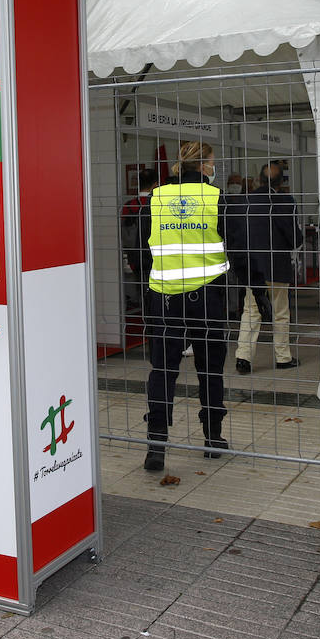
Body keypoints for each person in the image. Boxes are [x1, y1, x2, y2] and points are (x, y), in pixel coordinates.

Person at [139, 140, 230, 472]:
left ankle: (156, 445)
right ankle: (213, 438)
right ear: (205, 165)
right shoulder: (217, 197)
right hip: (207, 298)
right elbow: (232, 244)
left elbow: (139, 248)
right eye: (212, 162)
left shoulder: (157, 197)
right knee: (210, 371)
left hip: (162, 298)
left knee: (162, 372)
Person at [233, 160, 302, 373]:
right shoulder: (284, 201)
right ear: (281, 182)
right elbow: (294, 238)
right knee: (280, 312)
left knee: (251, 311)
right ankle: (283, 357)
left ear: (259, 180)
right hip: (277, 266)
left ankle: (243, 357)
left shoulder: (245, 201)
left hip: (252, 267)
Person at [120, 168, 160, 310]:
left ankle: (142, 308)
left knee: (140, 286)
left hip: (134, 255)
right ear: (156, 184)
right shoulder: (158, 204)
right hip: (155, 254)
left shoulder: (128, 206)